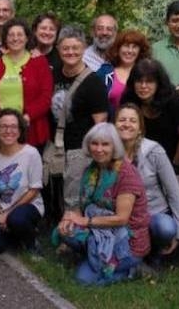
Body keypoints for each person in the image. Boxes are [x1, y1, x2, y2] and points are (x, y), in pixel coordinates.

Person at [120, 58, 179, 224]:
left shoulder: (173, 100)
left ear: (159, 84)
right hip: (166, 148)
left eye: (149, 82)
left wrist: (174, 166)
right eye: (139, 81)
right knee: (177, 193)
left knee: (172, 188)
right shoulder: (129, 99)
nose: (143, 86)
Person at [55, 123, 150, 286]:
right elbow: (83, 206)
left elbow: (122, 219)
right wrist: (69, 218)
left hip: (126, 242)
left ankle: (132, 270)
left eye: (105, 144)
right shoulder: (91, 170)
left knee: (83, 281)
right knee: (65, 230)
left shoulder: (126, 174)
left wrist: (86, 222)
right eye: (95, 143)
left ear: (115, 147)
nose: (99, 149)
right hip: (99, 232)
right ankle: (93, 254)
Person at [51, 25, 109, 213]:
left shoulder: (93, 82)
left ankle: (71, 236)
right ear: (58, 48)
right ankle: (59, 227)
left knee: (73, 195)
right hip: (55, 144)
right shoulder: (54, 73)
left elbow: (101, 123)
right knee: (56, 188)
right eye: (66, 48)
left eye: (75, 48)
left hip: (80, 147)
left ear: (84, 48)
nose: (70, 52)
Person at [115, 103, 179, 256]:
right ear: (114, 125)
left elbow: (174, 193)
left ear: (140, 127)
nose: (127, 124)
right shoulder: (106, 150)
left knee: (165, 228)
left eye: (133, 121)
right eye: (122, 120)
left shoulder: (154, 151)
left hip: (153, 212)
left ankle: (156, 254)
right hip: (119, 215)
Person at [0, 18, 52, 149]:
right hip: (0, 132)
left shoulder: (39, 62)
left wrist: (27, 117)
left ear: (27, 38)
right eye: (11, 35)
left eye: (19, 35)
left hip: (32, 131)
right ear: (5, 39)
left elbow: (45, 97)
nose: (15, 38)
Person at [0, 108, 44, 255]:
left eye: (13, 127)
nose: (8, 131)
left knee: (17, 219)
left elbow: (34, 190)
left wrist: (8, 214)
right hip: (0, 207)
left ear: (20, 130)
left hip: (27, 205)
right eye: (3, 126)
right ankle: (13, 234)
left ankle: (31, 242)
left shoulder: (31, 153)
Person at [96, 29, 152, 116]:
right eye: (126, 46)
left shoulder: (148, 73)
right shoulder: (105, 73)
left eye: (134, 47)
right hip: (110, 126)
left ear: (140, 51)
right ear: (118, 48)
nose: (129, 51)